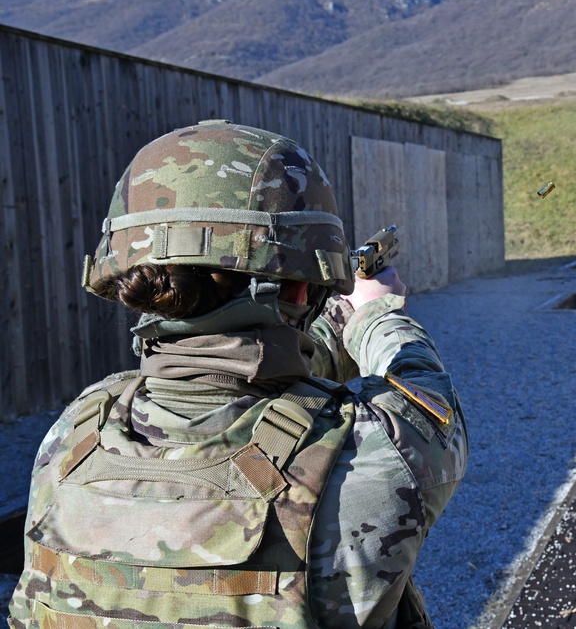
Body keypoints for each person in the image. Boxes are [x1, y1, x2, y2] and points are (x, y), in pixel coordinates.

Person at [7, 120, 467, 629]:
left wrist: (312, 320)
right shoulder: (374, 448)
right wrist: (374, 315)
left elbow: (231, 375)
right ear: (301, 289)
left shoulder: (73, 434)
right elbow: (426, 399)